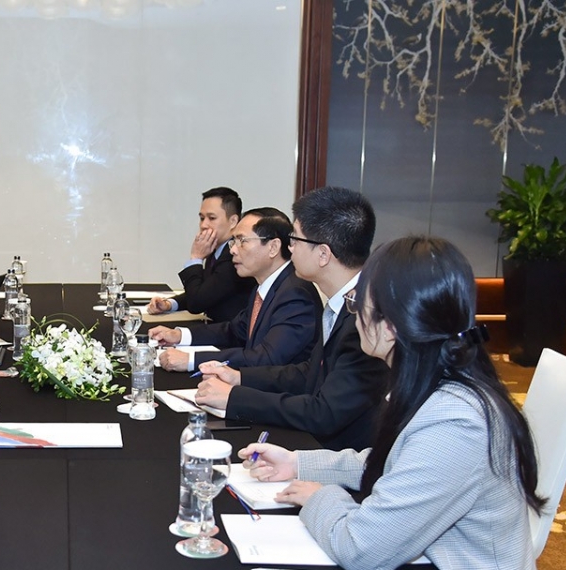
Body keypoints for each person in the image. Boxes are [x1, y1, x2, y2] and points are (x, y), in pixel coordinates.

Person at [240, 236, 553, 570]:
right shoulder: (439, 382)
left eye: (357, 306)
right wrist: (299, 462)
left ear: (389, 327)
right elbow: (392, 462)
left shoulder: (457, 422)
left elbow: (362, 546)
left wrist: (318, 496)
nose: (353, 316)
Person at [195, 186, 388, 451]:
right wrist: (240, 377)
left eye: (295, 239)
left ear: (323, 254)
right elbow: (310, 372)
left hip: (340, 455)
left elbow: (324, 413)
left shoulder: (366, 318)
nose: (290, 248)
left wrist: (235, 398)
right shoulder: (341, 303)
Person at [149, 207, 319, 371]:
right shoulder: (265, 286)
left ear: (273, 247)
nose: (233, 250)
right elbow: (234, 331)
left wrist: (192, 360)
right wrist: (179, 335)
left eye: (242, 241)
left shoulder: (296, 294)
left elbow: (266, 358)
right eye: (233, 241)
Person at [146, 187, 256, 322]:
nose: (204, 225)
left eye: (212, 218)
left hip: (229, 331)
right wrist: (169, 304)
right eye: (202, 218)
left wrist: (196, 258)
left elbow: (197, 302)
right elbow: (205, 291)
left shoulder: (234, 255)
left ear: (233, 221)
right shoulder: (216, 250)